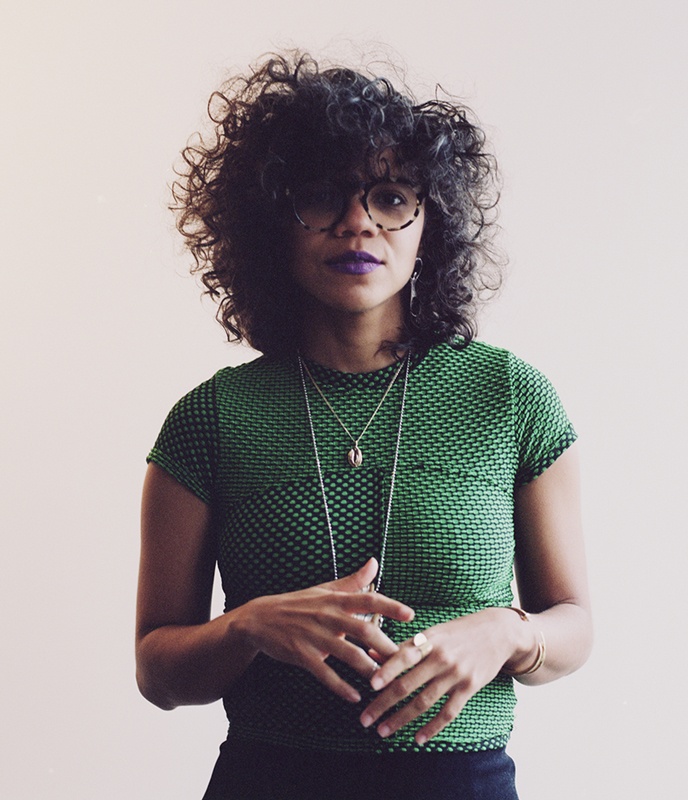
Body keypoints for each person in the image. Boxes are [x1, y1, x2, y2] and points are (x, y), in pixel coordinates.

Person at [135, 52, 592, 800]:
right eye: (320, 197)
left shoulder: (511, 396)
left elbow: (573, 622)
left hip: (462, 783)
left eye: (388, 196)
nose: (358, 223)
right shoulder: (209, 420)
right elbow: (158, 670)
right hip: (268, 781)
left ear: (430, 222)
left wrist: (511, 630)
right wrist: (245, 626)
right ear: (268, 224)